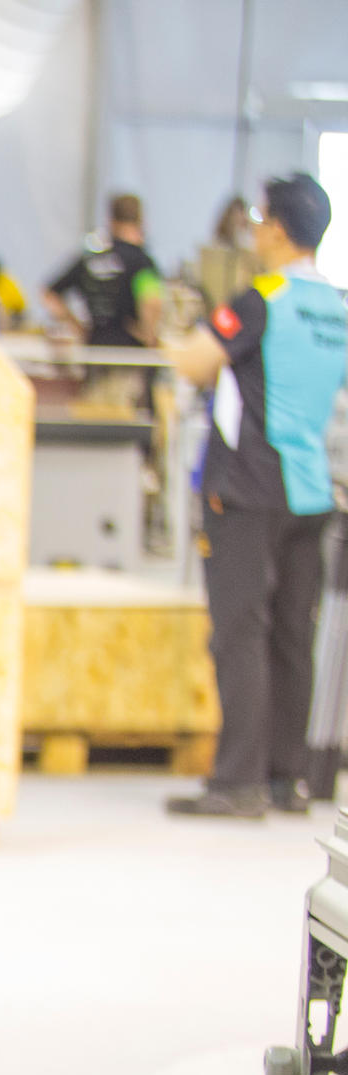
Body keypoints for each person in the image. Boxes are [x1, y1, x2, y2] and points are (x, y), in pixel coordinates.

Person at [164, 174, 348, 819]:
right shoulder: (339, 306)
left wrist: (176, 340)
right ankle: (284, 778)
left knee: (240, 631)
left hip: (246, 489)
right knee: (294, 635)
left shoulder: (262, 297)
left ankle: (235, 781)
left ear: (273, 229)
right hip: (311, 490)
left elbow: (194, 360)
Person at [44, 193, 162, 349]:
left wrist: (78, 328)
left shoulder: (90, 259)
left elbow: (50, 294)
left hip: (95, 348)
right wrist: (150, 337)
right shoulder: (141, 261)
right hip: (131, 353)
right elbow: (152, 301)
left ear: (111, 220)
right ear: (140, 220)